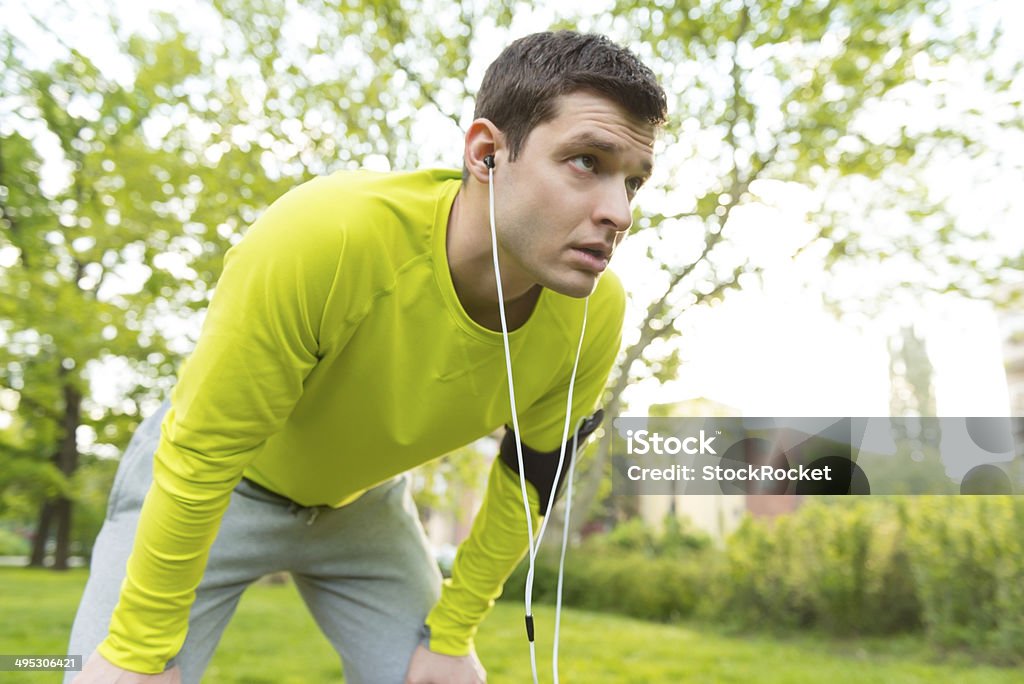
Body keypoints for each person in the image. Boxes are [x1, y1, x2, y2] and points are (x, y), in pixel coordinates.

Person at [67, 30, 667, 684]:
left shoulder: (595, 313)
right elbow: (203, 451)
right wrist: (138, 650)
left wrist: (453, 632)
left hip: (363, 509)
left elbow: (529, 479)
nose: (618, 213)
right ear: (486, 153)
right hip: (217, 484)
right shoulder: (326, 237)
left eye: (632, 183)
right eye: (586, 161)